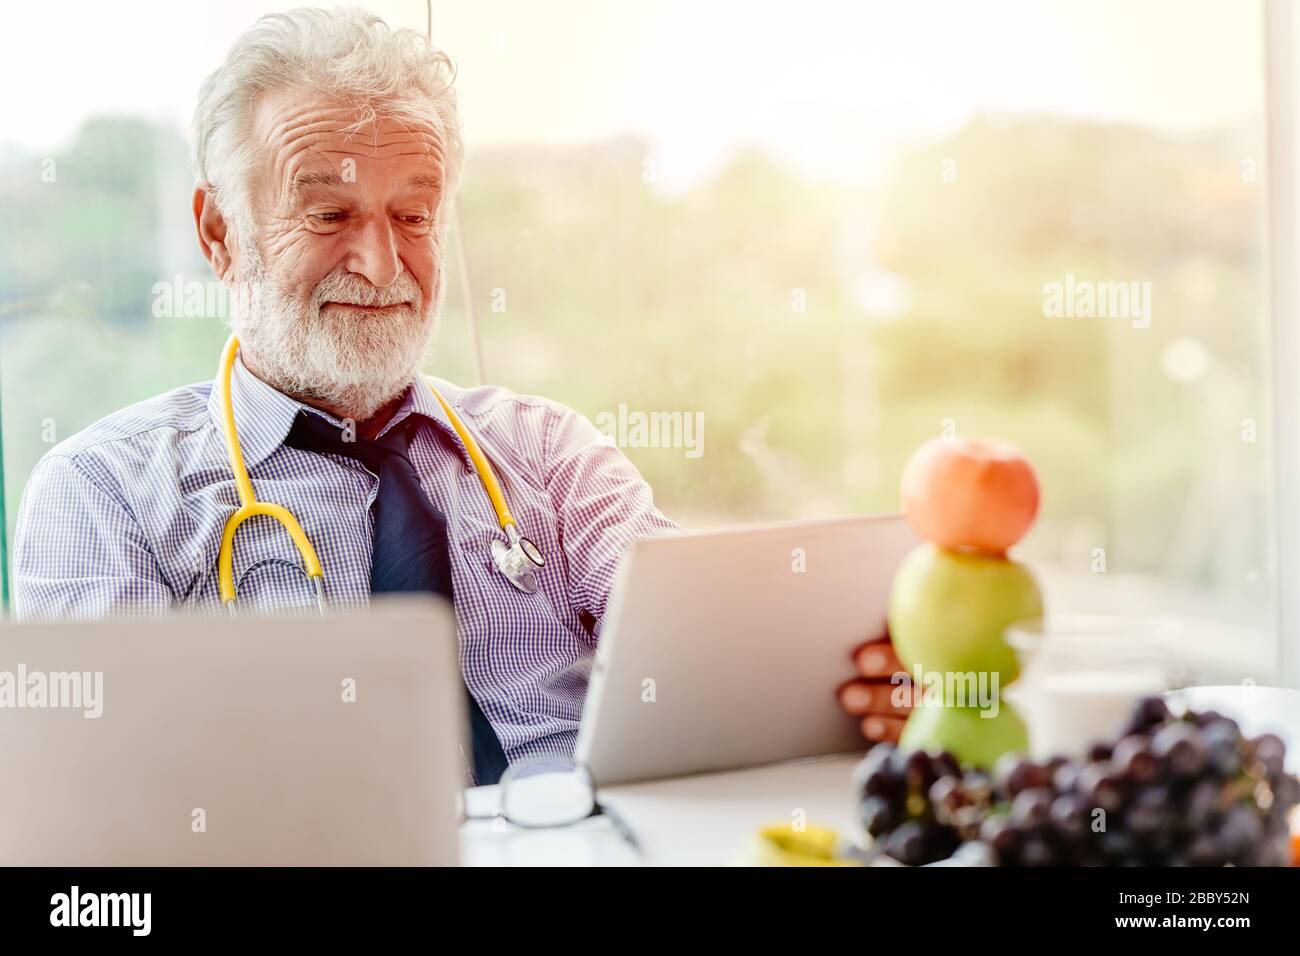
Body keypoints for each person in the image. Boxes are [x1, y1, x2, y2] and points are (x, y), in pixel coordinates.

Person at [11, 7, 680, 772]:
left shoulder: (553, 456)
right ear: (220, 234)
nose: (381, 263)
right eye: (329, 213)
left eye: (414, 215)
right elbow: (117, 800)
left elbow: (708, 644)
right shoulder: (107, 494)